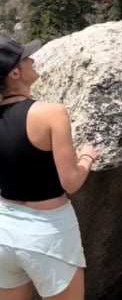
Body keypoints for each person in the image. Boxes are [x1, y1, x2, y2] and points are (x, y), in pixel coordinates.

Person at [0, 36, 99, 300]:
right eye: (26, 57)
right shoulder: (52, 113)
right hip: (49, 233)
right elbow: (72, 182)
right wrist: (87, 157)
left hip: (4, 230)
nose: (33, 59)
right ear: (15, 72)